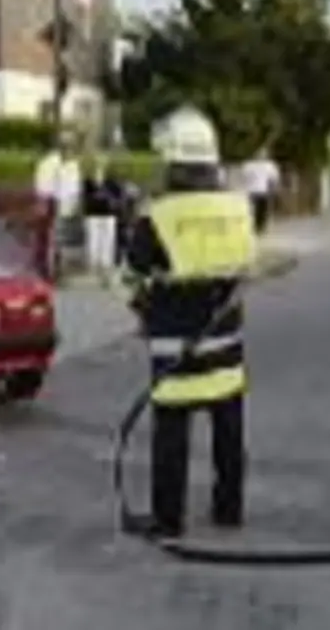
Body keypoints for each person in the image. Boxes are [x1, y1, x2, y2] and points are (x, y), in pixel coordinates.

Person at [121, 106, 258, 537]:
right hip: (226, 338)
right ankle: (229, 508)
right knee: (229, 428)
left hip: (176, 342)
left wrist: (142, 307)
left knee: (172, 434)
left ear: (174, 163)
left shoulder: (157, 215)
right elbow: (245, 265)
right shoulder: (238, 207)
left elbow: (133, 271)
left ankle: (168, 519)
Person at [34, 131, 83, 278]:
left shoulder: (73, 164)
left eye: (72, 145)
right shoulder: (49, 163)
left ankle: (57, 268)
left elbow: (74, 186)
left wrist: (74, 203)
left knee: (61, 240)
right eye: (67, 145)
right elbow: (43, 185)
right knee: (48, 239)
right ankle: (45, 270)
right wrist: (44, 202)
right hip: (51, 202)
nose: (70, 149)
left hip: (67, 205)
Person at [82, 156, 123, 285]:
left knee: (108, 239)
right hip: (93, 214)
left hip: (108, 214)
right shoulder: (88, 182)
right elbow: (85, 197)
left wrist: (111, 201)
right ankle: (94, 263)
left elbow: (119, 196)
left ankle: (106, 264)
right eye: (97, 167)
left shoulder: (112, 182)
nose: (100, 169)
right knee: (93, 238)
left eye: (102, 166)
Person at [237, 147, 282, 233]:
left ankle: (253, 226)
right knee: (262, 211)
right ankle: (260, 227)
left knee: (252, 210)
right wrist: (273, 189)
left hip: (251, 191)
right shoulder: (269, 166)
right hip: (262, 191)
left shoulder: (248, 165)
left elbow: (243, 177)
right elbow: (274, 179)